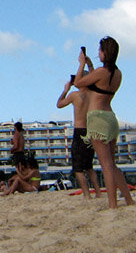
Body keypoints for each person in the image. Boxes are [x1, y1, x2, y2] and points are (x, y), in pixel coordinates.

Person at [74, 37, 134, 208]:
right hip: (110, 118)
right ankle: (128, 200)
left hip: (97, 118)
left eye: (100, 50)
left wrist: (80, 64)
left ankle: (113, 205)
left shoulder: (102, 72)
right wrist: (90, 66)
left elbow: (79, 83)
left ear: (105, 52)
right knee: (112, 164)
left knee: (106, 165)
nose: (98, 53)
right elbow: (98, 85)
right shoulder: (117, 73)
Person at [57, 53, 102, 199]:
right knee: (89, 167)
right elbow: (95, 77)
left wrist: (65, 89)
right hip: (91, 130)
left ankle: (87, 195)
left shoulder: (75, 95)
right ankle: (98, 192)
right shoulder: (94, 94)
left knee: (78, 168)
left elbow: (59, 104)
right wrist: (89, 64)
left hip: (80, 130)